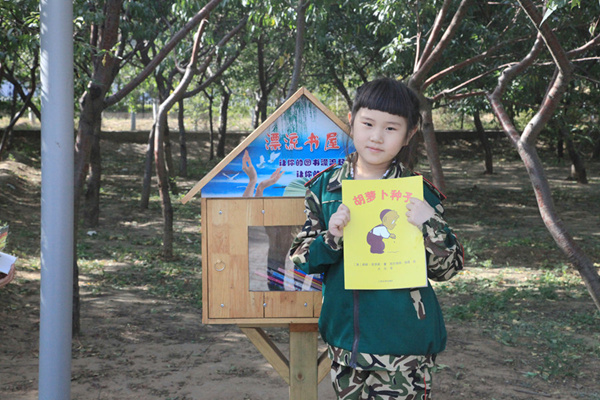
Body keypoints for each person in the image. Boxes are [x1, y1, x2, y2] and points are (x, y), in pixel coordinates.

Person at [289, 77, 464, 400]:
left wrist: (430, 224)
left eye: (391, 128)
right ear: (352, 121)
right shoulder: (325, 189)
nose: (376, 137)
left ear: (410, 133)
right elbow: (301, 257)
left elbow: (447, 269)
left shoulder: (418, 193)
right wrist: (332, 236)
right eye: (368, 123)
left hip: (404, 347)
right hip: (347, 343)